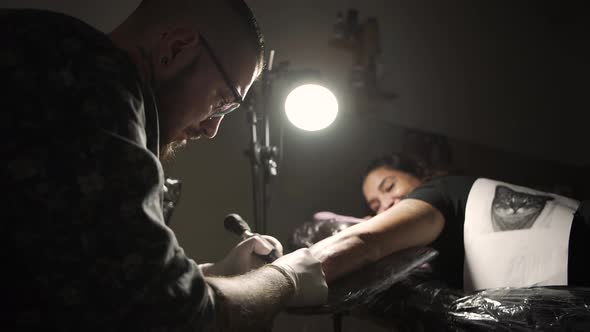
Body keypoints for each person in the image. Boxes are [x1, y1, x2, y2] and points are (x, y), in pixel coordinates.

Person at [1, 1, 327, 331]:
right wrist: (284, 280)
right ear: (175, 49)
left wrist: (214, 276)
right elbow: (172, 317)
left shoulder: (48, 56)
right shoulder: (88, 91)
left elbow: (99, 289)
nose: (212, 130)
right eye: (222, 103)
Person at [310, 153, 590, 290]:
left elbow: (364, 242)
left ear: (417, 174)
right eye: (376, 205)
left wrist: (278, 279)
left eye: (389, 186)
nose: (387, 204)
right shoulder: (439, 251)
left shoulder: (436, 192)